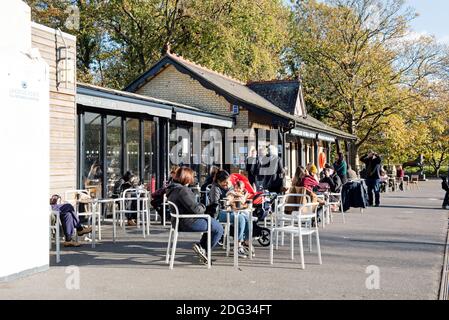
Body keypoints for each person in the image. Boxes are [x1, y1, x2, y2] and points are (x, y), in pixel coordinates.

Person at [166, 167, 224, 265]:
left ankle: (201, 247)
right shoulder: (183, 191)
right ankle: (203, 248)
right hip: (187, 222)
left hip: (177, 221)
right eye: (191, 177)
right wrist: (204, 206)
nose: (193, 179)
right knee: (218, 228)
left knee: (212, 224)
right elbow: (196, 210)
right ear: (186, 178)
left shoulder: (172, 189)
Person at [208, 170, 251, 258]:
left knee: (246, 217)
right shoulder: (215, 189)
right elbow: (215, 205)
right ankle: (237, 246)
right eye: (224, 182)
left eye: (227, 182)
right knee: (240, 218)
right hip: (220, 212)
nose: (227, 184)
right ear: (219, 181)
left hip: (231, 210)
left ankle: (246, 242)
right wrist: (228, 201)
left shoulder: (228, 186)